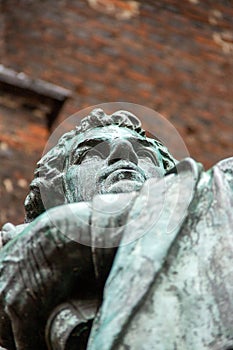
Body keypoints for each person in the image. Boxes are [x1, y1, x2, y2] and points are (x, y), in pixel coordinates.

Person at [0, 108, 232, 350]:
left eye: (145, 154)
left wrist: (70, 232)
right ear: (57, 196)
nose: (124, 152)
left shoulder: (220, 199)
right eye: (90, 154)